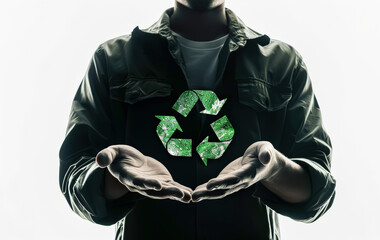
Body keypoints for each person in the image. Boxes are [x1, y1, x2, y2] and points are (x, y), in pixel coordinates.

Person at [59, 0, 336, 239]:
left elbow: (318, 193)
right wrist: (116, 177)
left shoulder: (283, 62)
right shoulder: (112, 58)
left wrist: (274, 168)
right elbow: (76, 181)